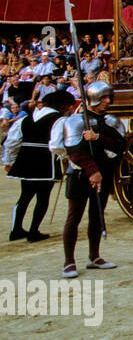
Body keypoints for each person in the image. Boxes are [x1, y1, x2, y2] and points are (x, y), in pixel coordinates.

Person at [52, 81, 126, 279]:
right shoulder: (75, 121)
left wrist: (98, 137)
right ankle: (69, 262)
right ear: (93, 98)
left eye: (109, 97)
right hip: (80, 174)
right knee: (73, 218)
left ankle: (94, 256)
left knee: (97, 216)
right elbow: (74, 151)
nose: (108, 101)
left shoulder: (110, 121)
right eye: (103, 98)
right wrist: (93, 171)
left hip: (104, 173)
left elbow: (119, 144)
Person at [4, 89, 77, 243]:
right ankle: (33, 231)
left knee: (24, 196)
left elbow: (12, 142)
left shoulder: (25, 119)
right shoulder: (59, 120)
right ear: (62, 106)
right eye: (68, 107)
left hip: (25, 160)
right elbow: (56, 144)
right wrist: (65, 157)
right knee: (42, 198)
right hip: (45, 161)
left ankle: (15, 229)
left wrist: (9, 161)